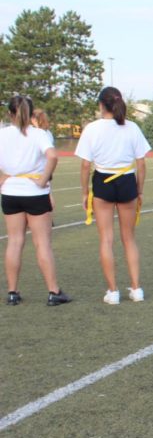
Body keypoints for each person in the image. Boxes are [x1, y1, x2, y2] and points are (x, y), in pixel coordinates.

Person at [75, 87, 151, 304]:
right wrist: (140, 190)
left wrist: (84, 192)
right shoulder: (132, 127)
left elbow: (84, 165)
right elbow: (141, 163)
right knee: (129, 238)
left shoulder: (92, 128)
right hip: (127, 181)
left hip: (103, 182)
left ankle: (113, 291)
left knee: (106, 239)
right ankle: (136, 289)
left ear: (101, 104)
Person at [0, 96, 71, 306]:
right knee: (42, 243)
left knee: (14, 241)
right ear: (31, 113)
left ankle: (12, 292)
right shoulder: (38, 134)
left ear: (9, 113)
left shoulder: (2, 134)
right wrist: (42, 180)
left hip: (11, 192)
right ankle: (53, 291)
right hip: (35, 193)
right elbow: (52, 156)